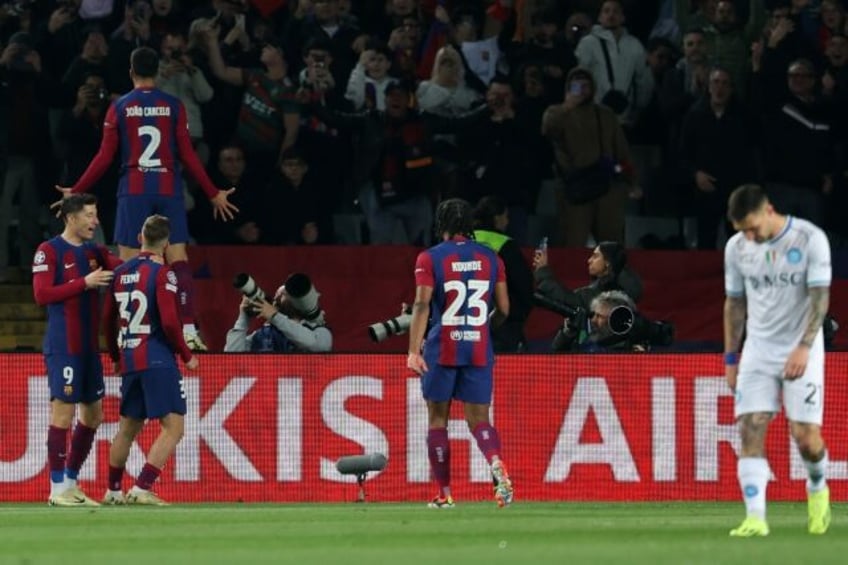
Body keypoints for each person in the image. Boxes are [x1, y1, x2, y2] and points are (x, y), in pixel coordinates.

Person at [53, 46, 239, 352]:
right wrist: (212, 192)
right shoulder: (174, 105)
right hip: (168, 187)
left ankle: (130, 331)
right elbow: (188, 155)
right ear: (157, 72)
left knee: (128, 265)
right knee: (177, 259)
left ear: (131, 72)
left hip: (135, 188)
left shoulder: (120, 107)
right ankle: (190, 330)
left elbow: (104, 156)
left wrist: (76, 188)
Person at [723, 184, 831, 537]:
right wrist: (731, 357)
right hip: (758, 349)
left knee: (806, 438)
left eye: (753, 227)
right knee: (750, 428)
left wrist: (803, 346)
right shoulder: (737, 248)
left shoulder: (808, 239)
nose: (749, 236)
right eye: (742, 230)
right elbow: (735, 303)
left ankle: (817, 488)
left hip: (802, 347)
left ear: (769, 210)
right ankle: (755, 518)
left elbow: (819, 298)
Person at [406, 198, 513, 509]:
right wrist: (483, 326)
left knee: (438, 420)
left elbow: (422, 304)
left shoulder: (430, 258)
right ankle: (495, 461)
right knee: (480, 420)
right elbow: (505, 309)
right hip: (478, 344)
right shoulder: (491, 258)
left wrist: (413, 350)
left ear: (442, 225)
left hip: (443, 345)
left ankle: (445, 493)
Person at [101, 214, 199, 506]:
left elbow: (106, 320)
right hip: (156, 358)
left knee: (128, 428)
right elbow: (170, 322)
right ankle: (142, 487)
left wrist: (117, 356)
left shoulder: (120, 272)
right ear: (167, 243)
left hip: (130, 357)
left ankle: (113, 490)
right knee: (174, 427)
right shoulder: (164, 274)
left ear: (140, 238)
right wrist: (186, 354)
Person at [32, 194, 120, 507]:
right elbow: (42, 294)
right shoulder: (49, 250)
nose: (95, 221)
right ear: (71, 218)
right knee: (63, 413)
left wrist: (148, 256)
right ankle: (56, 489)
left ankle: (71, 482)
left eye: (96, 215)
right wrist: (85, 282)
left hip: (88, 349)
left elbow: (122, 270)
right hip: (63, 346)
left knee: (94, 416)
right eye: (90, 215)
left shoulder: (97, 251)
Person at [472, 196, 533, 353]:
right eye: (506, 217)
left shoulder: (461, 241)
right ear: (496, 218)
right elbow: (523, 287)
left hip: (461, 325)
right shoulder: (505, 245)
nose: (507, 222)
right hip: (499, 328)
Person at [224, 274, 332, 353]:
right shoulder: (262, 335)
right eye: (276, 294)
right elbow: (231, 356)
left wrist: (275, 316)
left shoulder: (318, 331)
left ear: (300, 302)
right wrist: (243, 318)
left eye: (282, 295)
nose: (276, 298)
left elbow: (317, 346)